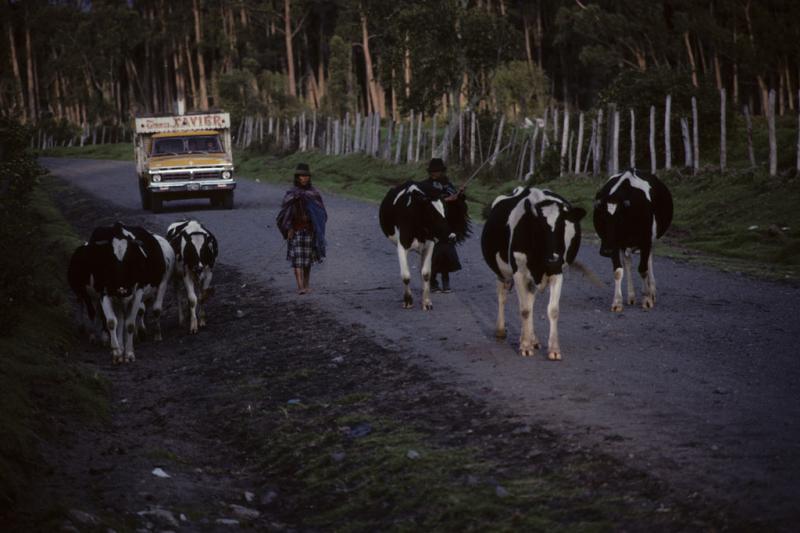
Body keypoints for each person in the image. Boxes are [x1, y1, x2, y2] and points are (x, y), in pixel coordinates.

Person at [276, 163, 327, 294]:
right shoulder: (291, 194)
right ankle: (300, 288)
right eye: (302, 176)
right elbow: (284, 214)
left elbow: (321, 213)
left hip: (310, 230)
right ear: (297, 178)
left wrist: (317, 226)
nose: (304, 178)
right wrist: (289, 228)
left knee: (308, 260)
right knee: (298, 259)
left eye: (306, 176)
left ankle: (306, 285)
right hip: (296, 231)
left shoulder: (313, 194)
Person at [420, 158, 465, 293]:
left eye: (437, 171)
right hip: (432, 224)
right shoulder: (425, 185)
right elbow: (425, 201)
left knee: (447, 251)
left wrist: (460, 194)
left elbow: (456, 199)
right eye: (433, 171)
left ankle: (445, 280)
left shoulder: (448, 185)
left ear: (442, 171)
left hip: (447, 224)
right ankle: (433, 280)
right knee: (433, 252)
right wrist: (445, 200)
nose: (435, 174)